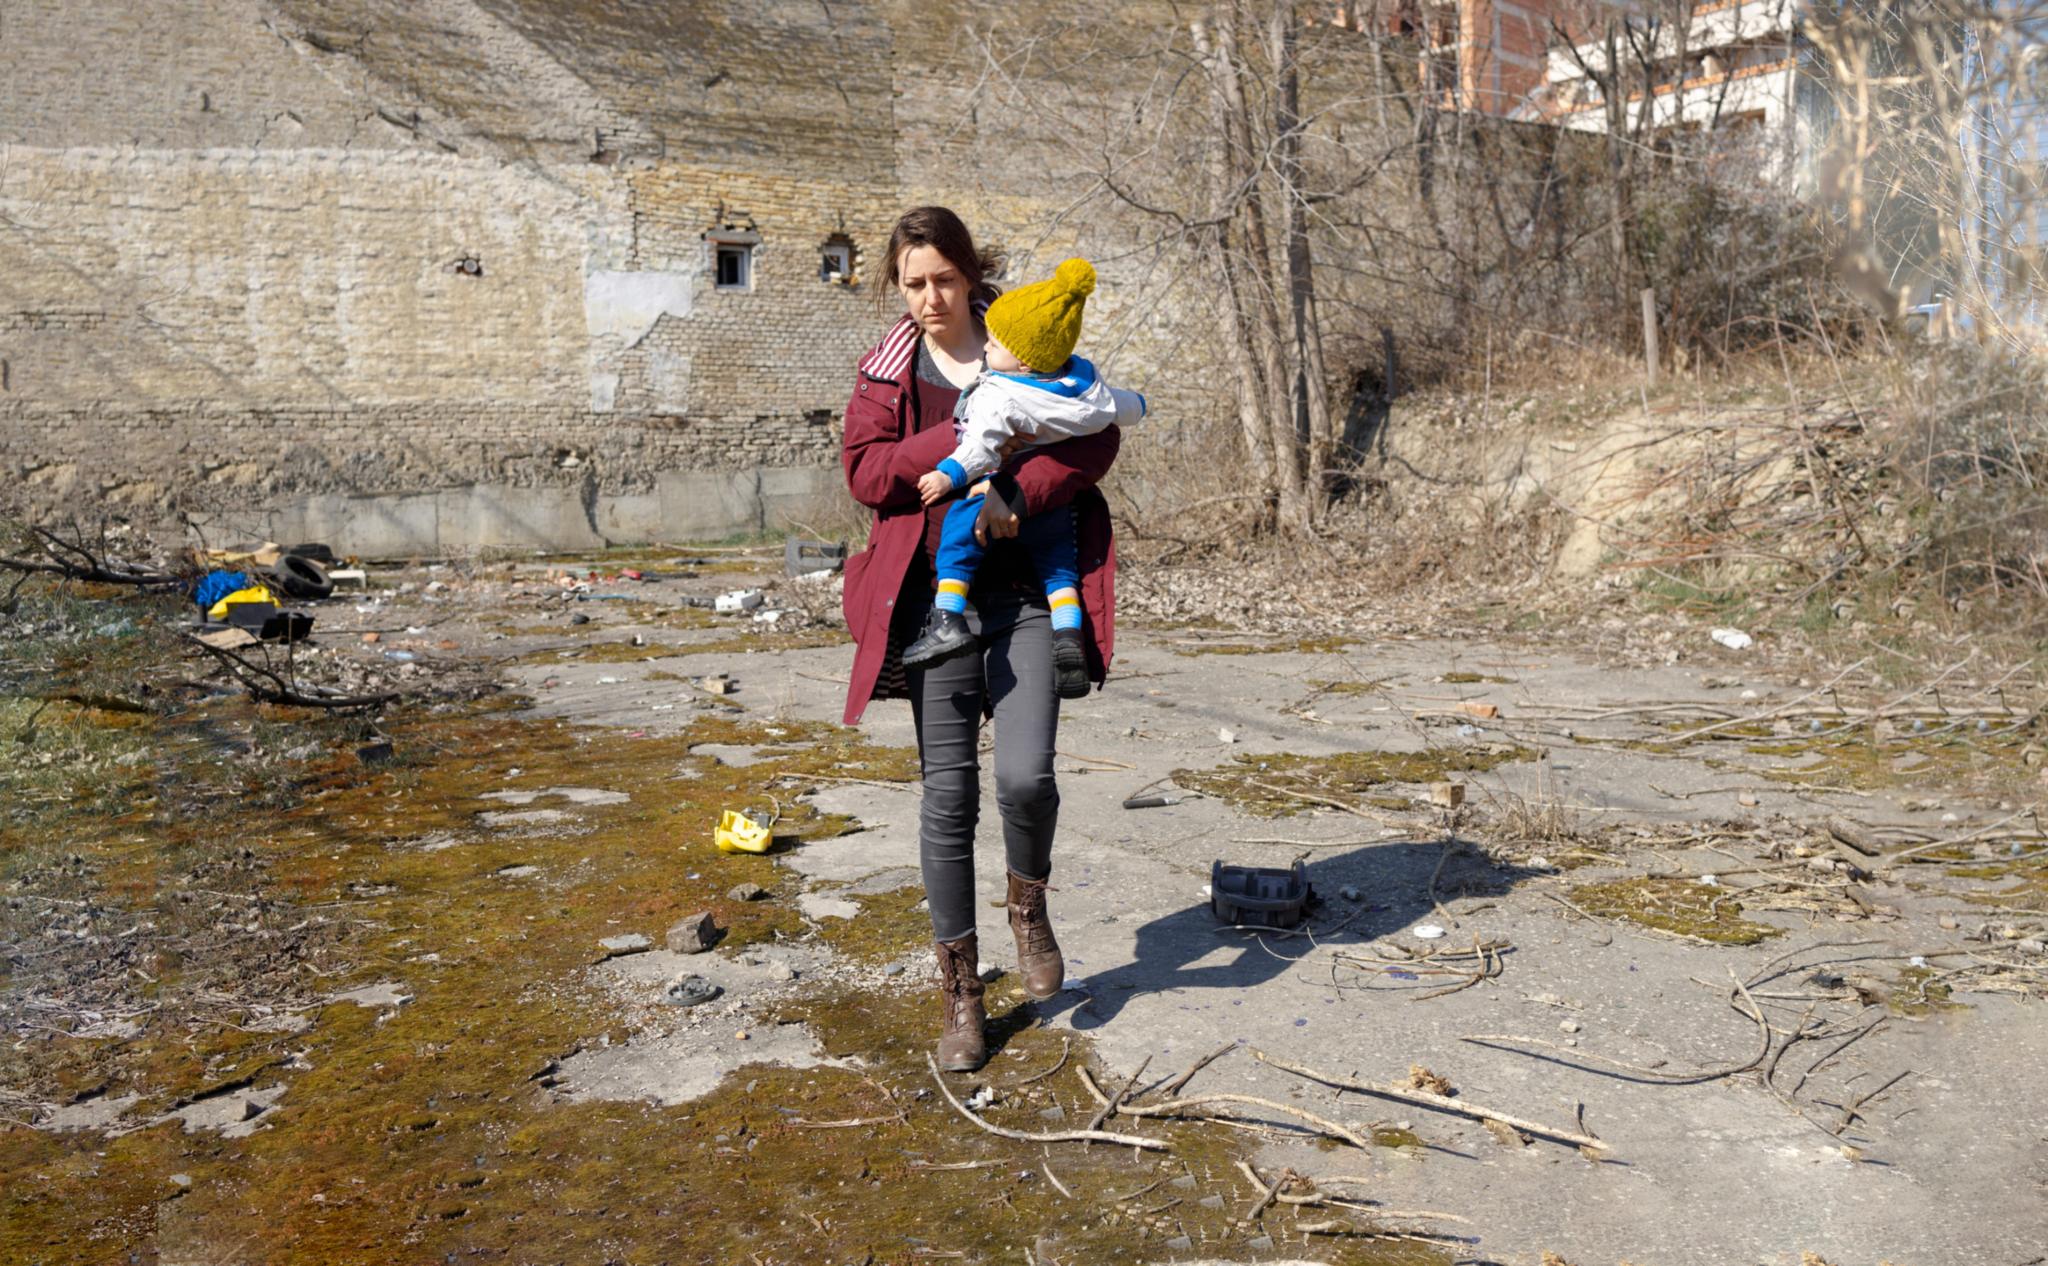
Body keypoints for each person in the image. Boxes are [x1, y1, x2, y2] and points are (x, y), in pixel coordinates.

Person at [840, 207, 1123, 1072]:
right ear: (899, 286)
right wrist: (962, 428)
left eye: (945, 281)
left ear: (970, 274)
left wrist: (1016, 494)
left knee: (1026, 776)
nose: (931, 299)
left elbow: (1095, 435)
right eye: (914, 284)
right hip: (938, 607)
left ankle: (1028, 908)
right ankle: (962, 992)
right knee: (948, 802)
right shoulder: (887, 374)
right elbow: (865, 473)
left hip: (1031, 594)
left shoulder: (1029, 339)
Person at [901, 256, 1145, 701]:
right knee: (1058, 568)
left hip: (996, 492)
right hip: (1049, 505)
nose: (987, 349)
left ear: (1027, 361)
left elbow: (977, 449)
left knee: (958, 534)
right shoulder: (1085, 388)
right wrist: (1143, 405)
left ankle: (948, 618)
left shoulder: (1001, 394)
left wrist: (944, 473)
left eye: (996, 342)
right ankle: (1067, 635)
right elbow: (1125, 406)